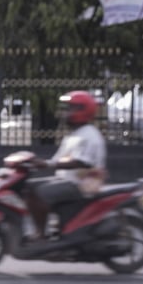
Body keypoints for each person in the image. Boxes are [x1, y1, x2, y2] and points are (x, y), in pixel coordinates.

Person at [23, 90, 108, 241]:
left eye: (71, 108)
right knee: (28, 187)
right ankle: (45, 228)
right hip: (68, 181)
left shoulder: (90, 135)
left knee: (39, 194)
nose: (66, 113)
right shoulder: (74, 134)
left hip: (81, 185)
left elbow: (81, 162)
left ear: (82, 110)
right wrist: (37, 163)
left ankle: (41, 235)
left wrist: (49, 164)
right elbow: (58, 159)